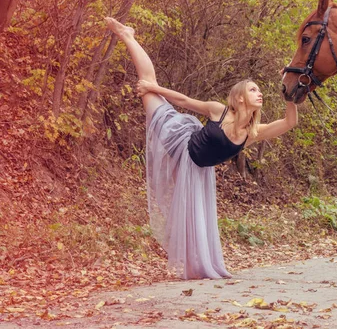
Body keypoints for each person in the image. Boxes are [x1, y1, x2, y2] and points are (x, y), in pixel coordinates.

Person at [105, 17, 298, 279]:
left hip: (199, 169)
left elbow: (290, 121)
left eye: (260, 90)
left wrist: (290, 94)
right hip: (179, 140)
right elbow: (184, 100)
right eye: (254, 90)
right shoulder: (219, 111)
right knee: (147, 82)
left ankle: (197, 265)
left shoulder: (252, 134)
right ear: (240, 97)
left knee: (194, 217)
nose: (259, 93)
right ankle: (128, 35)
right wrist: (153, 88)